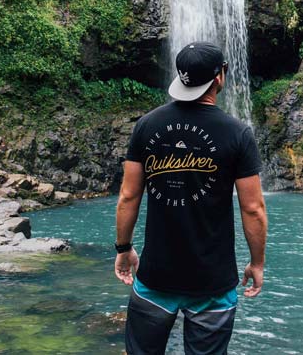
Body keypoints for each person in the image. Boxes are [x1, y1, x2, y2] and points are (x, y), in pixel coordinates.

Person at [114, 41, 268, 355]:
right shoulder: (238, 133)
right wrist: (257, 262)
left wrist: (124, 248)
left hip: (155, 277)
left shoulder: (146, 126)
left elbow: (129, 196)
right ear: (220, 77)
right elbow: (252, 209)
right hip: (212, 282)